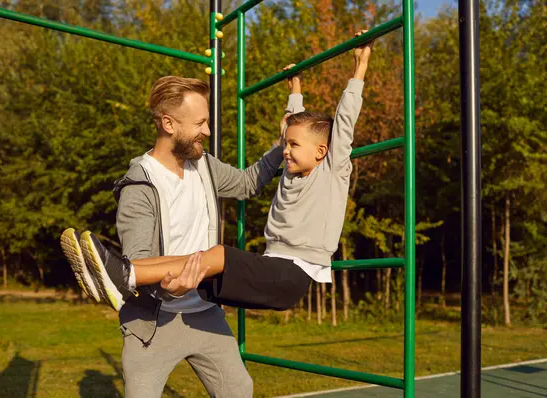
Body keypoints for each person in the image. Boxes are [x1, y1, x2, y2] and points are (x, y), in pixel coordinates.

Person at [72, 30, 374, 315]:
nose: (285, 150)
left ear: (322, 152)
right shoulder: (290, 172)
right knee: (191, 263)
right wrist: (295, 90)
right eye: (286, 144)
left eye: (294, 146)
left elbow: (344, 121)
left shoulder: (331, 171)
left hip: (294, 273)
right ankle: (122, 271)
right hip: (273, 266)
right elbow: (290, 128)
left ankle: (126, 275)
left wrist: (360, 66)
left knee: (217, 254)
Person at [61, 68, 305, 397]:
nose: (206, 130)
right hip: (154, 323)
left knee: (238, 389)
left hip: (204, 313)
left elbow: (247, 183)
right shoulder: (139, 187)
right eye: (200, 123)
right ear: (168, 124)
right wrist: (171, 289)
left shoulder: (203, 164)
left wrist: (283, 146)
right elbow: (145, 260)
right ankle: (118, 274)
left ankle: (115, 272)